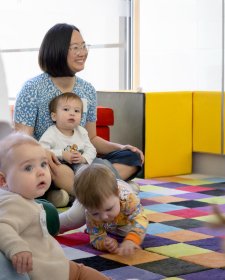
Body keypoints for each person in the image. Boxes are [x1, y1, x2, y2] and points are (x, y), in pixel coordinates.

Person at [14, 23, 144, 205]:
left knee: (133, 157)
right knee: (56, 167)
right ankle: (109, 193)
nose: (82, 52)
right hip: (51, 160)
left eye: (84, 46)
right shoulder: (32, 88)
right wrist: (43, 152)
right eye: (75, 48)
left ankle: (74, 194)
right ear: (57, 50)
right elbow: (22, 141)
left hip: (83, 159)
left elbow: (92, 139)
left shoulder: (88, 90)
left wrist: (120, 148)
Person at [0, 132, 110, 280]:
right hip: (48, 272)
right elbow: (2, 226)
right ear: (3, 180)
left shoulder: (20, 198)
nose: (41, 172)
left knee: (87, 274)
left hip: (56, 265)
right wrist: (16, 248)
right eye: (28, 168)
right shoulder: (13, 203)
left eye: (43, 164)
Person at [61, 163, 148, 256]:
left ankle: (132, 186)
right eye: (95, 214)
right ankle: (48, 224)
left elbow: (141, 219)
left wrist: (132, 239)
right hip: (87, 202)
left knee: (128, 233)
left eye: (109, 209)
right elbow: (95, 236)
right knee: (75, 217)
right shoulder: (89, 211)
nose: (104, 216)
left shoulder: (128, 199)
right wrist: (104, 243)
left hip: (121, 204)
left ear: (117, 194)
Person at [39, 92, 96, 207]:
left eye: (76, 111)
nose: (72, 113)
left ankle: (68, 197)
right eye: (66, 109)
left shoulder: (82, 132)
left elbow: (92, 149)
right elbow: (41, 150)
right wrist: (62, 154)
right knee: (60, 170)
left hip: (80, 165)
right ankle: (84, 197)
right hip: (61, 166)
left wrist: (84, 158)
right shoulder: (51, 132)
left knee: (95, 169)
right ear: (54, 116)